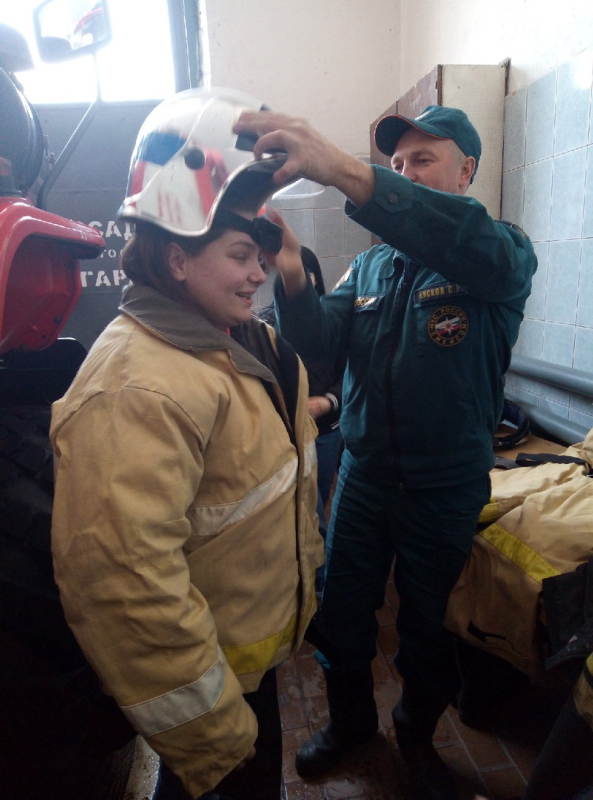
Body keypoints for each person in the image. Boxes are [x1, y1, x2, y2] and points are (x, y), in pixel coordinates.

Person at [233, 104, 537, 800]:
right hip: (365, 478)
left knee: (429, 630)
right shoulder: (369, 267)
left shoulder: (500, 255)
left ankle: (416, 740)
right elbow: (319, 348)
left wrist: (343, 168)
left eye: (423, 160)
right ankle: (350, 725)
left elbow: (464, 239)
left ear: (465, 171)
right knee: (340, 613)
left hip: (444, 486)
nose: (405, 172)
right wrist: (290, 269)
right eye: (396, 163)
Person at [50, 88, 324, 800]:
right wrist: (214, 736)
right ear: (176, 259)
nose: (258, 272)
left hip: (246, 667)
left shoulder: (236, 345)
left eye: (260, 253)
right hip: (211, 699)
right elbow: (125, 588)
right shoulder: (135, 387)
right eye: (239, 255)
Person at [258, 245, 344, 550]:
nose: (300, 279)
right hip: (286, 432)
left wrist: (329, 401)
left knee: (318, 500)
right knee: (298, 505)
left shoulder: (335, 322)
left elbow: (350, 373)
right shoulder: (265, 326)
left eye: (305, 272)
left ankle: (318, 570)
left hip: (327, 429)